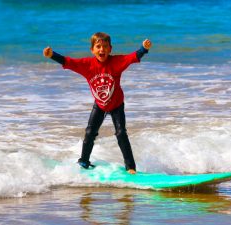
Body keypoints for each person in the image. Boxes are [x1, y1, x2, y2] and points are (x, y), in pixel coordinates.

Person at [43, 32, 152, 174]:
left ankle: (130, 167)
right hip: (100, 105)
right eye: (98, 46)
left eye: (105, 46)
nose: (102, 49)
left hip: (117, 104)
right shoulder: (87, 65)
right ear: (92, 50)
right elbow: (69, 62)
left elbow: (131, 57)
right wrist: (52, 55)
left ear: (110, 49)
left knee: (121, 133)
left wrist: (144, 49)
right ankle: (84, 161)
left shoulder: (116, 62)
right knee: (89, 132)